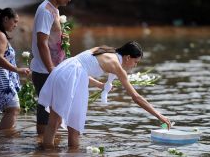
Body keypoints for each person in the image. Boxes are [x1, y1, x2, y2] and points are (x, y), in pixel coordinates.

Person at [38, 41, 171, 148]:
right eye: (135, 62)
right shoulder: (117, 66)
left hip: (63, 70)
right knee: (74, 127)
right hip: (70, 75)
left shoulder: (105, 49)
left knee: (54, 121)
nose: (135, 66)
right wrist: (159, 115)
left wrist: (101, 85)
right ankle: (66, 152)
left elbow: (81, 68)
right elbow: (136, 97)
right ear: (127, 57)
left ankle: (47, 152)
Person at [30, 0, 75, 134]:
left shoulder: (54, 9)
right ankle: (42, 144)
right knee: (45, 109)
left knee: (54, 108)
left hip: (53, 68)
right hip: (44, 70)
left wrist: (62, 36)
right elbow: (42, 42)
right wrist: (51, 68)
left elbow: (50, 37)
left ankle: (47, 144)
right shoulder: (45, 11)